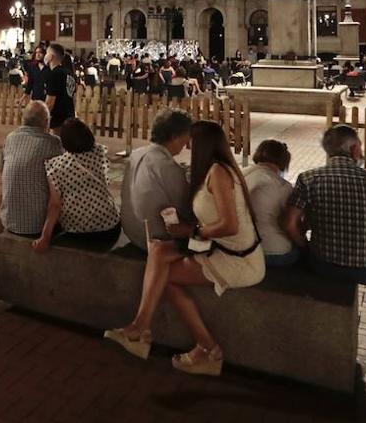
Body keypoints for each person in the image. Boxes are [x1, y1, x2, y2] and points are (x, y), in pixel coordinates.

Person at [106, 117, 263, 376]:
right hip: (215, 246)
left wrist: (192, 230)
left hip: (236, 259)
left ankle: (207, 347)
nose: (187, 145)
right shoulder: (214, 170)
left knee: (165, 278)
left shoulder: (219, 173)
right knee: (158, 250)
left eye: (191, 141)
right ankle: (140, 327)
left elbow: (230, 225)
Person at [281, 125, 366, 359]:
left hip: (321, 263)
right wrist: (365, 248)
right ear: (354, 150)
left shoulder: (309, 179)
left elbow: (289, 223)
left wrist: (305, 247)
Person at [31, 118, 120, 252]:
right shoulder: (99, 152)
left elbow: (55, 205)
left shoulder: (55, 167)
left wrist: (45, 237)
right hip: (109, 228)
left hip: (76, 230)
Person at [0, 101, 64, 237]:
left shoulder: (10, 138)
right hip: (39, 225)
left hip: (9, 220)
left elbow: (2, 168)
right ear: (46, 121)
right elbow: (63, 181)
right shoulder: (53, 143)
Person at [242, 139, 299, 267]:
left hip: (241, 249)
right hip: (272, 252)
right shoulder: (283, 186)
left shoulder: (240, 174)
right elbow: (290, 224)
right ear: (284, 161)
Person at [44, 42, 76, 132]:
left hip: (57, 121)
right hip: (69, 117)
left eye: (47, 53)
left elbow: (50, 102)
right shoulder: (69, 73)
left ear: (51, 56)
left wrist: (43, 119)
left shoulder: (54, 74)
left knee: (55, 144)